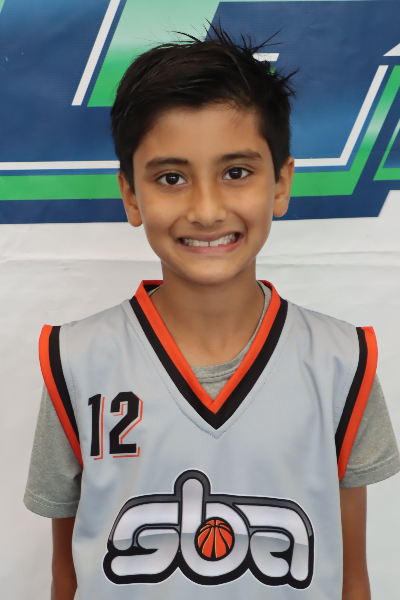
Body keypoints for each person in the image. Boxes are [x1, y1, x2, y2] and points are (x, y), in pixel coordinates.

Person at [24, 27, 400, 600]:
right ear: (131, 195)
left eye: (236, 172)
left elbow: (351, 577)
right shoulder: (75, 362)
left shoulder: (342, 363)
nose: (206, 209)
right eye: (171, 178)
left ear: (281, 183)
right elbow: (67, 577)